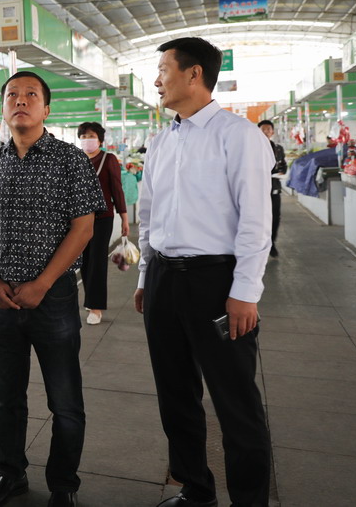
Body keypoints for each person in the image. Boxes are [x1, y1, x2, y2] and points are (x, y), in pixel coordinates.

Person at [133, 37, 273, 507]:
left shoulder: (239, 136)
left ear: (194, 74)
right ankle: (195, 489)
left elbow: (255, 222)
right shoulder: (161, 141)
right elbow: (148, 216)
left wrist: (245, 292)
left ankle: (249, 500)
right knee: (175, 395)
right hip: (163, 279)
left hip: (216, 282)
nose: (156, 80)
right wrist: (145, 277)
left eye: (163, 70)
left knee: (235, 401)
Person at [0, 71, 105, 507]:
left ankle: (64, 485)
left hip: (54, 299)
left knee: (65, 401)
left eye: (31, 95)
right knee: (6, 399)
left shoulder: (70, 160)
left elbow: (83, 229)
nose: (20, 101)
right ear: (3, 107)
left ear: (47, 108)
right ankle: (11, 474)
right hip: (1, 301)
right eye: (12, 95)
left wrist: (42, 283)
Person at [77, 121, 129, 325]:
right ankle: (91, 298)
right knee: (84, 260)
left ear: (99, 139)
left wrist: (124, 217)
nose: (86, 140)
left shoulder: (109, 159)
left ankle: (96, 307)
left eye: (90, 136)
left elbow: (117, 189)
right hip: (79, 220)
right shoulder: (77, 159)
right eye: (83, 137)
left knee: (97, 261)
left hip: (102, 219)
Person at [257, 120, 287, 257]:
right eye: (263, 129)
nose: (266, 132)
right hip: (257, 189)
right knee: (258, 217)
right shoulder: (252, 148)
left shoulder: (278, 148)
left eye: (268, 129)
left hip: (274, 187)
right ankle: (259, 244)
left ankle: (271, 243)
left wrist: (282, 172)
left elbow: (283, 165)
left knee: (275, 216)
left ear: (272, 132)